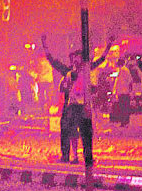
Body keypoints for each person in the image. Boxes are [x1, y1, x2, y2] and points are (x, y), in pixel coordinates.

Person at [41, 34, 115, 163]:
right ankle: (69, 156)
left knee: (86, 132)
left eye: (79, 57)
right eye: (74, 57)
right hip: (71, 105)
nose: (76, 59)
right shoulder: (68, 71)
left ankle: (87, 158)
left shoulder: (87, 69)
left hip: (84, 105)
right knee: (69, 130)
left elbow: (101, 60)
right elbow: (52, 61)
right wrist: (45, 45)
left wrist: (108, 45)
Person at [110, 57, 134, 127]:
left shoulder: (125, 70)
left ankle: (125, 122)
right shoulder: (120, 70)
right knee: (122, 107)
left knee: (124, 108)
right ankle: (123, 122)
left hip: (125, 92)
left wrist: (130, 91)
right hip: (121, 92)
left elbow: (130, 81)